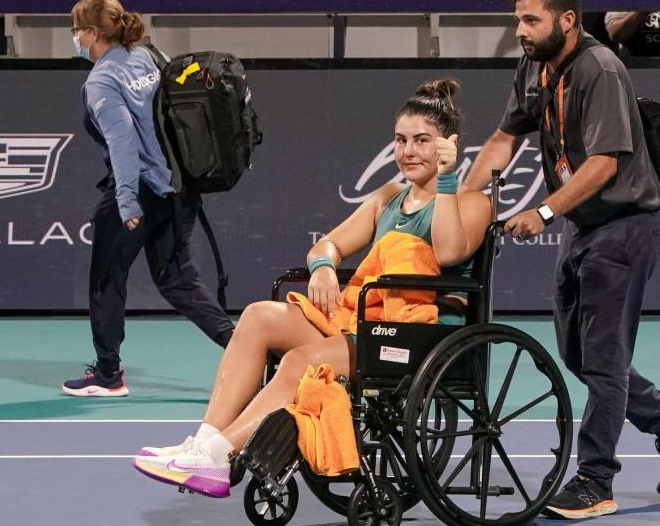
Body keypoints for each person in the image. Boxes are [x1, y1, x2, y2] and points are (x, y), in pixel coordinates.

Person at [131, 79, 492, 498]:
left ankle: (217, 454)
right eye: (400, 140)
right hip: (366, 326)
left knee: (302, 360)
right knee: (258, 316)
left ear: (449, 144)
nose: (409, 151)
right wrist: (323, 267)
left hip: (419, 336)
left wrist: (446, 181)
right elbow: (328, 244)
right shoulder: (388, 197)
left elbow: (447, 252)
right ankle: (204, 443)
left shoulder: (471, 201)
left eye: (422, 141)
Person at [463, 0, 660, 520]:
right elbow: (505, 135)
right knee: (578, 353)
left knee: (605, 359)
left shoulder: (601, 70)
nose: (521, 30)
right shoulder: (534, 64)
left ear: (567, 19)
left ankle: (597, 480)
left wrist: (545, 210)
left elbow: (604, 162)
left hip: (623, 228)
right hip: (583, 228)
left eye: (532, 20)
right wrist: (464, 195)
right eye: (518, 20)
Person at [62, 0, 235, 398]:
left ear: (90, 33)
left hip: (139, 190)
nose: (74, 37)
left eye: (75, 30)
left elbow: (123, 145)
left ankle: (108, 375)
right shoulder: (147, 54)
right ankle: (250, 350)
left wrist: (126, 203)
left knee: (107, 279)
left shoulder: (102, 79)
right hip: (180, 187)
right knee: (177, 280)